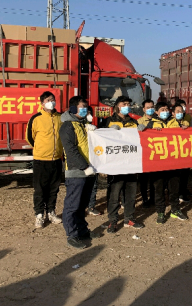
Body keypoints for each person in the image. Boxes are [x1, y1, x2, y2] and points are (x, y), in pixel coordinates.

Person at [59, 96, 102, 249]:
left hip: (89, 171)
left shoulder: (84, 125)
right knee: (72, 205)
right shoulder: (68, 126)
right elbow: (70, 151)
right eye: (82, 106)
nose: (85, 109)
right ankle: (72, 235)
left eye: (86, 107)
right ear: (73, 108)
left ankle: (83, 231)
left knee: (82, 204)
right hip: (77, 172)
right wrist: (84, 167)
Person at [103, 96, 145, 233]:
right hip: (115, 165)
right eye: (124, 104)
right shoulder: (108, 121)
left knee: (131, 194)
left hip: (131, 164)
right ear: (117, 106)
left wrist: (144, 131)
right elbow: (100, 141)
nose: (127, 106)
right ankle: (113, 221)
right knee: (114, 195)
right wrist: (108, 131)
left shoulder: (134, 122)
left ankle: (129, 218)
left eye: (129, 104)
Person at [26, 91, 64, 228]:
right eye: (48, 100)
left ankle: (51, 212)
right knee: (40, 189)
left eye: (53, 99)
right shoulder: (36, 118)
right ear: (42, 103)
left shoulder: (60, 117)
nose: (51, 102)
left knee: (54, 189)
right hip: (41, 160)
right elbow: (30, 138)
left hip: (56, 159)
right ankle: (39, 215)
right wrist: (41, 149)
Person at [146, 102, 189, 223]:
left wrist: (184, 129)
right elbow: (145, 138)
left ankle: (175, 210)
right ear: (157, 112)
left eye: (166, 109)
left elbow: (183, 135)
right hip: (158, 163)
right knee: (159, 189)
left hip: (174, 162)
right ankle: (160, 212)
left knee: (174, 188)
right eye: (162, 109)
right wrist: (152, 131)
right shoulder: (152, 123)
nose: (165, 111)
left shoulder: (175, 122)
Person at [137, 99, 156, 207]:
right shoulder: (139, 121)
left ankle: (153, 198)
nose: (150, 109)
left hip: (155, 154)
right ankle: (144, 198)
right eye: (148, 107)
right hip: (143, 154)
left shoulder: (158, 121)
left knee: (154, 179)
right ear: (143, 109)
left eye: (152, 107)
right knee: (143, 179)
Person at [173, 103, 192, 203]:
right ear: (173, 113)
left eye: (181, 111)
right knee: (175, 178)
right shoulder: (169, 124)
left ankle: (183, 194)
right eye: (178, 111)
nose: (180, 113)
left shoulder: (187, 122)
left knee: (185, 175)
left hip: (185, 153)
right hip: (174, 155)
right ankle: (175, 196)